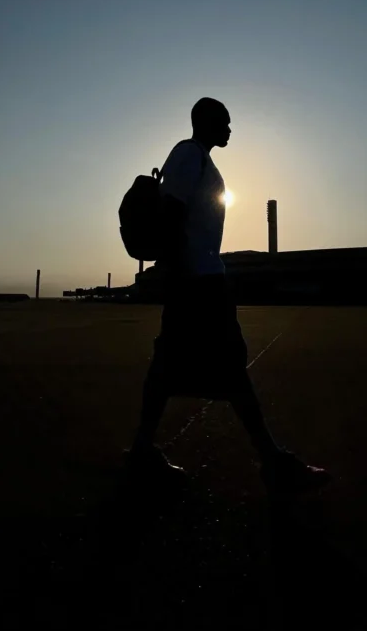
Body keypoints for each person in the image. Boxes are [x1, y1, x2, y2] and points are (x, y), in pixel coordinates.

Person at [126, 97, 329, 495]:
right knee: (228, 368)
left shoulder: (198, 158)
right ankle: (272, 461)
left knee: (169, 367)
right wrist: (176, 271)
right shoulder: (189, 155)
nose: (231, 130)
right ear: (207, 123)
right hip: (198, 283)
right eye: (226, 123)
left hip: (197, 280)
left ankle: (141, 453)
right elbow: (171, 212)